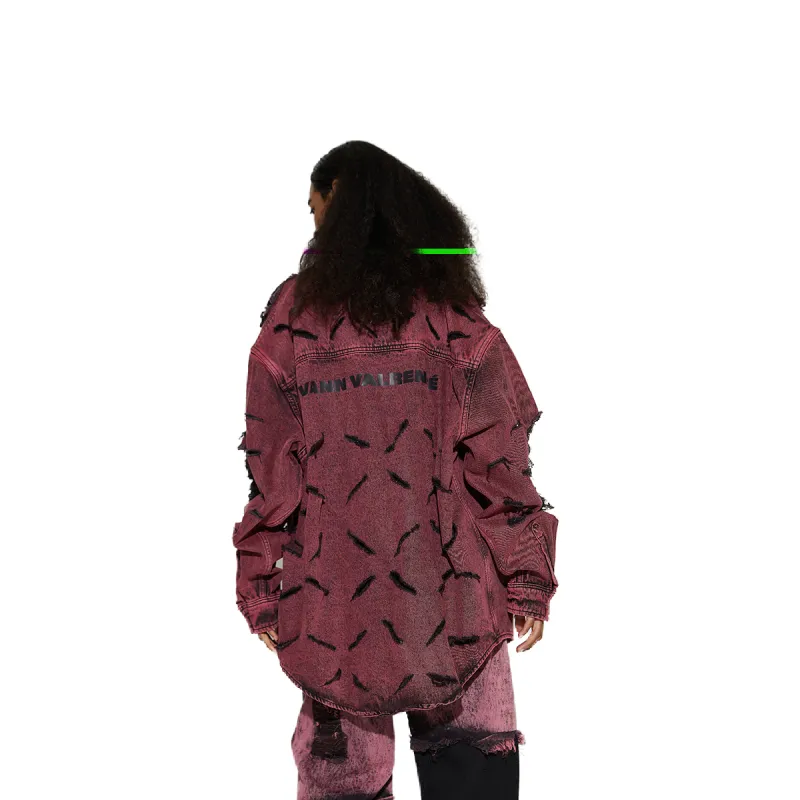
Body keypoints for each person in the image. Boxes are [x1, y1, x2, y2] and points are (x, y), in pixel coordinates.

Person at [231, 140, 560, 800]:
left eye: (316, 209)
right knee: (473, 777)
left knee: (343, 781)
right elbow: (500, 460)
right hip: (455, 595)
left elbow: (271, 470)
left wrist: (261, 583)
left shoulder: (292, 320)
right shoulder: (449, 313)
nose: (313, 226)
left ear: (342, 205)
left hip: (334, 605)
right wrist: (526, 575)